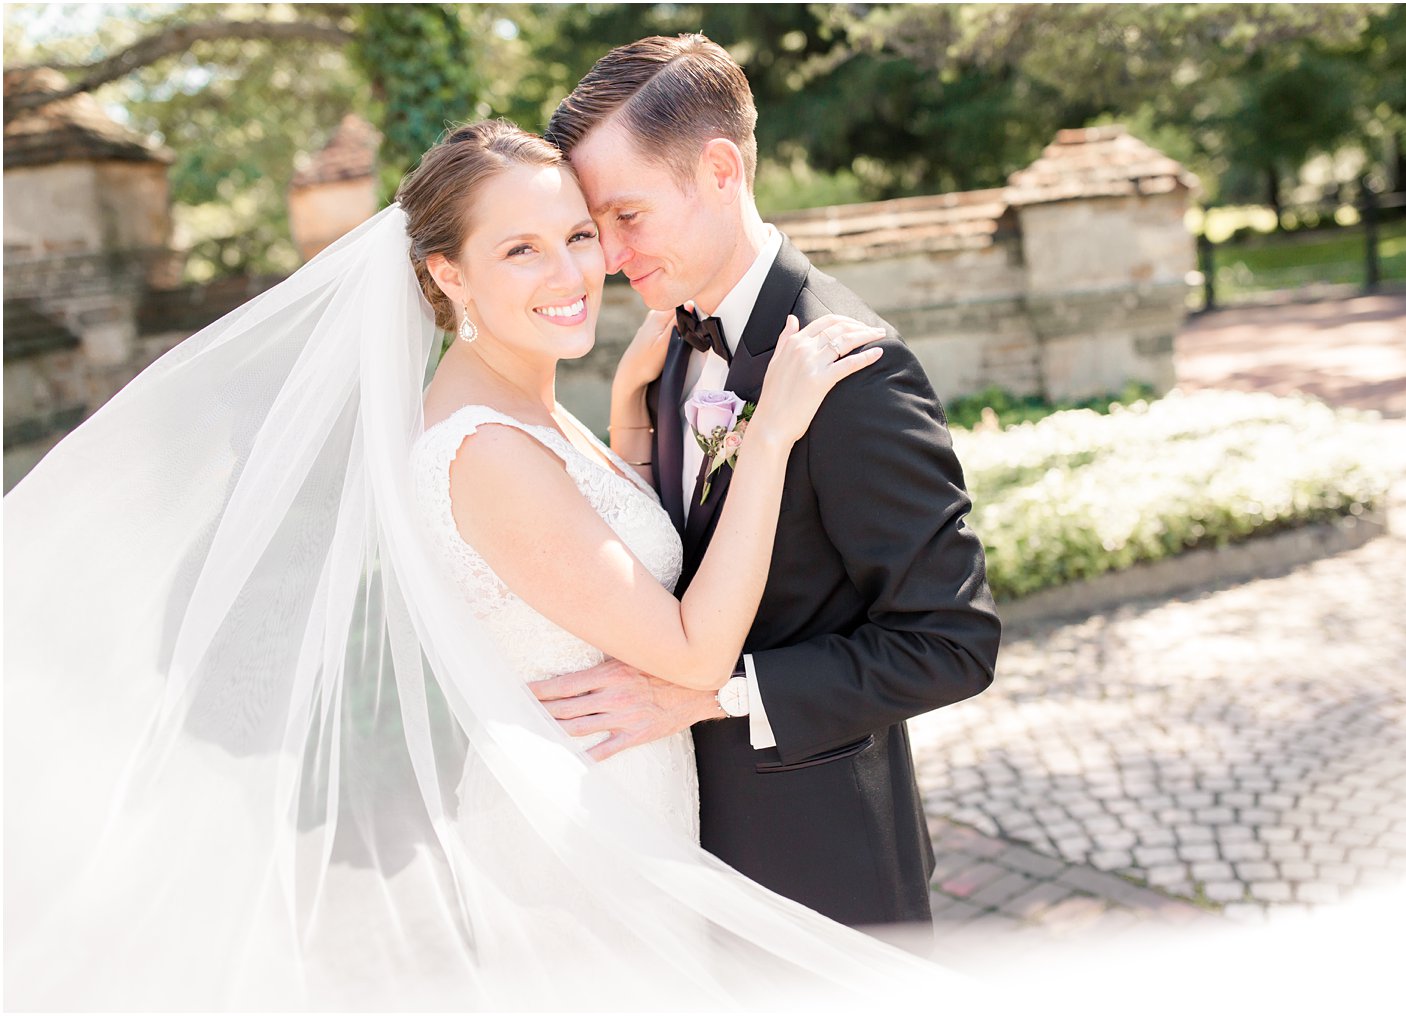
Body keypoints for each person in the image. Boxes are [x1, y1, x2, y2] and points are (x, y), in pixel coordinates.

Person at [1, 119, 970, 1009]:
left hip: (636, 806)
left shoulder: (527, 410)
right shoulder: (484, 450)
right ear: (448, 275)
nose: (573, 270)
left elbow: (611, 561)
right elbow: (687, 647)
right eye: (520, 247)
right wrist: (766, 441)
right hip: (583, 846)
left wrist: (629, 420)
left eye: (579, 234)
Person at [538, 33, 1003, 933]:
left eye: (626, 217)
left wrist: (711, 693)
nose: (607, 255)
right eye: (598, 226)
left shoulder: (854, 367)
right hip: (684, 841)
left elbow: (952, 641)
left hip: (822, 864)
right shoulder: (675, 335)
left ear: (718, 171)